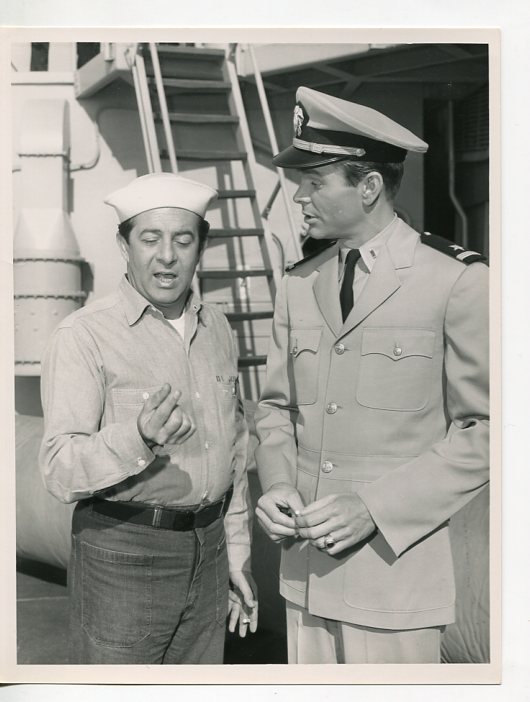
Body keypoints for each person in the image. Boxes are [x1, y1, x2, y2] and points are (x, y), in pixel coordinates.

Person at [254, 86, 489, 664]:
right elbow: (276, 409)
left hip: (395, 583)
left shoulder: (456, 280)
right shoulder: (299, 283)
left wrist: (375, 508)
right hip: (305, 578)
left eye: (315, 181)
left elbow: (490, 430)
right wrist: (277, 483)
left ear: (369, 186)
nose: (299, 196)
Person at [39, 173, 257, 664]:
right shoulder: (83, 336)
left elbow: (236, 450)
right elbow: (58, 468)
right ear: (124, 245)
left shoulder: (217, 327)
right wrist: (137, 437)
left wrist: (238, 553)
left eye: (183, 240)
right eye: (150, 239)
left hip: (211, 549)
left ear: (201, 247)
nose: (167, 256)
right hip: (124, 554)